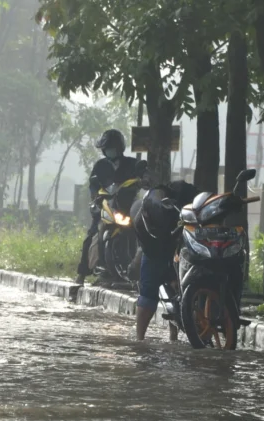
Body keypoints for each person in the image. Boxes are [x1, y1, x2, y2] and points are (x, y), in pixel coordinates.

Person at [76, 129, 146, 284]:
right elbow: (93, 185)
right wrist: (95, 196)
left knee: (140, 232)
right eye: (107, 148)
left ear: (120, 148)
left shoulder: (132, 164)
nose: (109, 151)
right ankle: (82, 273)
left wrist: (142, 180)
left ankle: (139, 269)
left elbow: (142, 177)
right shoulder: (100, 166)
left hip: (127, 207)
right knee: (92, 235)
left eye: (112, 147)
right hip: (105, 207)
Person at [134, 180, 198, 341]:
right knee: (149, 290)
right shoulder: (145, 218)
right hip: (155, 249)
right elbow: (154, 250)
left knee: (179, 288)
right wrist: (170, 271)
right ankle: (139, 338)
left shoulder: (189, 197)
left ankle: (173, 336)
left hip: (183, 245)